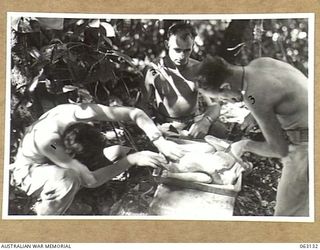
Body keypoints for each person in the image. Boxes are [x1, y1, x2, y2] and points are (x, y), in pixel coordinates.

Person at [10, 103, 185, 215]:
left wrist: (159, 141)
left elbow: (134, 113)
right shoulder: (51, 144)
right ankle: (43, 217)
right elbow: (91, 180)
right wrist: (132, 160)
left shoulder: (77, 113)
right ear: (72, 155)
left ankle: (77, 193)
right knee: (69, 178)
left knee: (119, 150)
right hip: (32, 171)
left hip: (64, 157)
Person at [194, 55, 309, 216]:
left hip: (308, 147)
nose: (225, 101)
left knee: (286, 221)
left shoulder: (254, 96)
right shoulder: (260, 64)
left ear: (226, 86)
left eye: (220, 98)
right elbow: (274, 92)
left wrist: (244, 145)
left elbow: (279, 150)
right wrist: (255, 115)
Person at [141, 22, 229, 139]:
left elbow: (215, 104)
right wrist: (151, 129)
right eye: (177, 50)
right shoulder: (153, 70)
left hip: (193, 123)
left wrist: (205, 122)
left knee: (221, 131)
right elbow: (143, 105)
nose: (182, 56)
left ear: (193, 46)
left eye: (187, 50)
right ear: (167, 45)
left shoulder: (199, 69)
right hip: (166, 125)